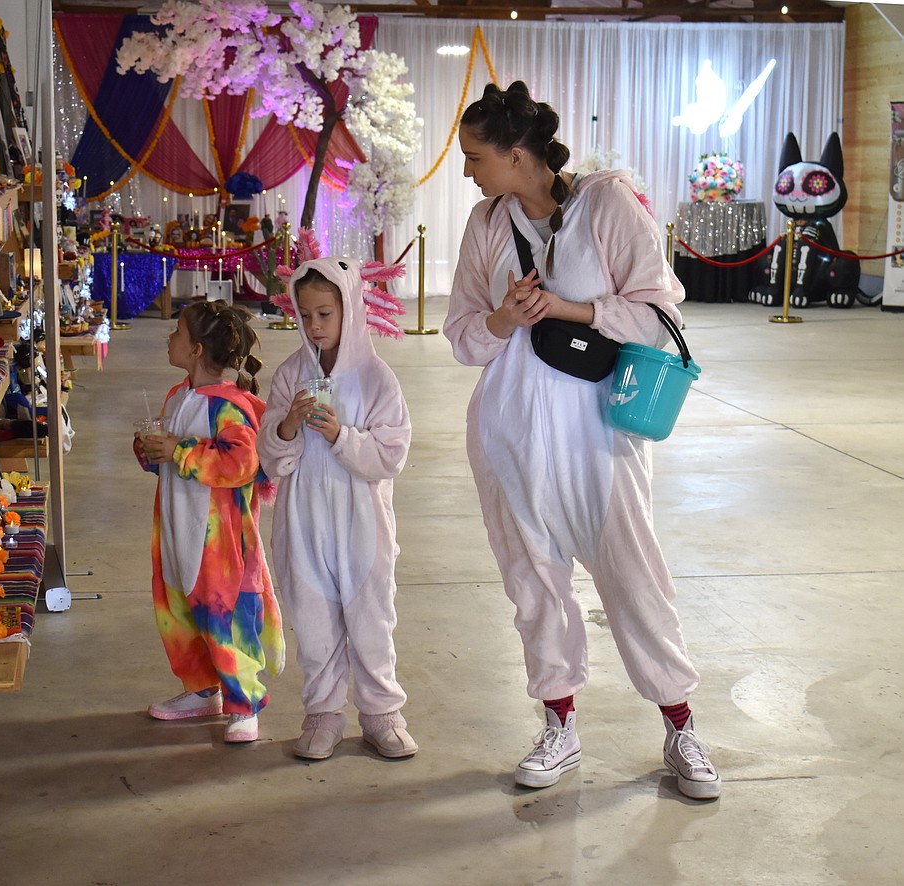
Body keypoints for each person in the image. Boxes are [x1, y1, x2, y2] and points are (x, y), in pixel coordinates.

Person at [444, 80, 721, 800]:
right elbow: (464, 339)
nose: (467, 171)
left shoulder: (607, 202)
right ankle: (559, 724)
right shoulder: (485, 224)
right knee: (533, 581)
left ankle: (682, 723)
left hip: (599, 430)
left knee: (632, 575)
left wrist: (565, 307)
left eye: (475, 156)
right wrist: (507, 316)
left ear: (516, 154)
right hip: (506, 433)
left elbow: (659, 308)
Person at [257, 252, 416, 761]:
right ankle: (323, 714)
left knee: (371, 615)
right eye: (306, 315)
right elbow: (271, 457)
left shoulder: (376, 380)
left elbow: (392, 454)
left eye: (325, 313)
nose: (315, 325)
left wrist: (341, 436)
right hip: (303, 521)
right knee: (313, 615)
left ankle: (380, 713)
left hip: (361, 521)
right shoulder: (289, 375)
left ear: (349, 309)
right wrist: (287, 428)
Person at [135, 300, 285, 743]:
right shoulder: (177, 397)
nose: (169, 338)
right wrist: (150, 453)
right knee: (180, 613)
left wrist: (180, 451)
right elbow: (168, 456)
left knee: (226, 616)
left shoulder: (228, 407)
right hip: (177, 531)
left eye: (177, 332)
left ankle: (244, 703)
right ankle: (202, 689)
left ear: (197, 349)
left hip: (222, 548)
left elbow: (242, 461)